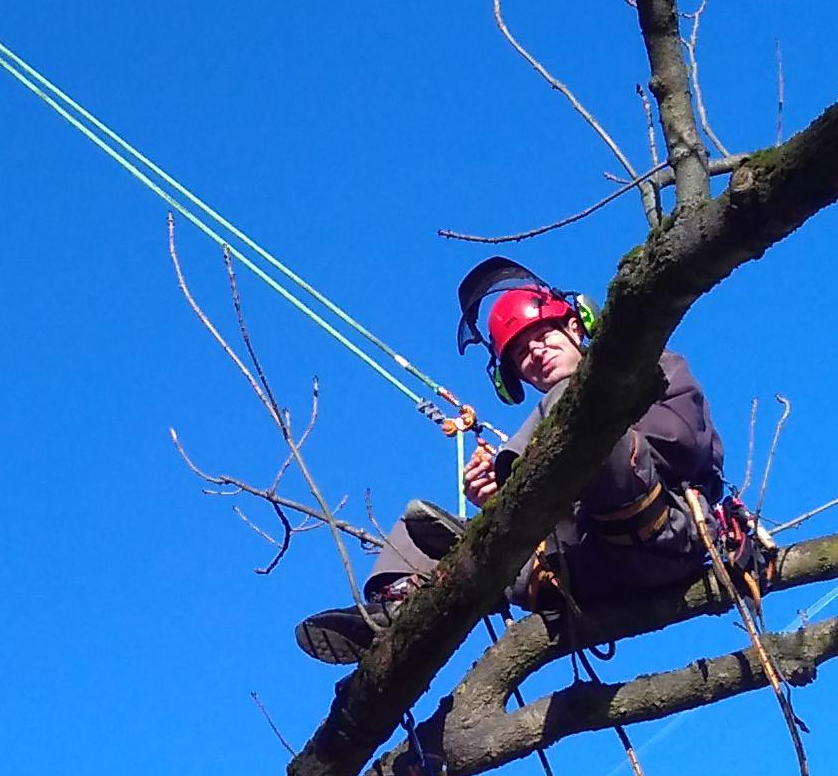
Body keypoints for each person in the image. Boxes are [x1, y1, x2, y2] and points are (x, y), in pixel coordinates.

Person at [295, 257, 743, 664]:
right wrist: (494, 496)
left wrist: (523, 471)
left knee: (578, 400)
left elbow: (681, 441)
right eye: (521, 355)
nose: (535, 354)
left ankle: (511, 515)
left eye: (541, 337)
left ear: (574, 328)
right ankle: (392, 613)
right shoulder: (548, 418)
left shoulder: (656, 367)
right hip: (580, 569)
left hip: (659, 534)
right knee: (415, 530)